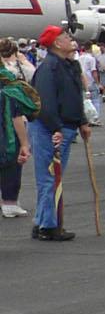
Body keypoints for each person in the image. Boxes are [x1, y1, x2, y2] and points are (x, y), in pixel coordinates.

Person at [28, 25, 91, 241]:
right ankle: (48, 225)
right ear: (56, 43)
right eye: (65, 37)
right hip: (51, 127)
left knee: (52, 177)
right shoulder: (50, 68)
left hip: (64, 125)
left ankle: (42, 220)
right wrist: (56, 128)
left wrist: (82, 121)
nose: (70, 39)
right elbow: (45, 102)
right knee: (50, 177)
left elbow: (74, 97)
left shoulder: (68, 65)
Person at [2, 58, 37, 219]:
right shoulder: (10, 91)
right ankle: (9, 203)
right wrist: (25, 143)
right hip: (6, 136)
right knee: (11, 169)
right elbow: (16, 119)